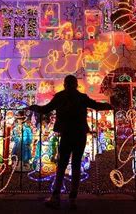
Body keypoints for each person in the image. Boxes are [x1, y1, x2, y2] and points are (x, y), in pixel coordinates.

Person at [28, 75, 112, 209]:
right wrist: (109, 105)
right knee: (76, 165)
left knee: (62, 164)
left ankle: (56, 196)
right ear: (76, 85)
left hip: (66, 133)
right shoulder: (82, 97)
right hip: (79, 133)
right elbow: (95, 105)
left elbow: (46, 109)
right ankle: (73, 198)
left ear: (65, 84)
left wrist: (34, 107)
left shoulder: (60, 96)